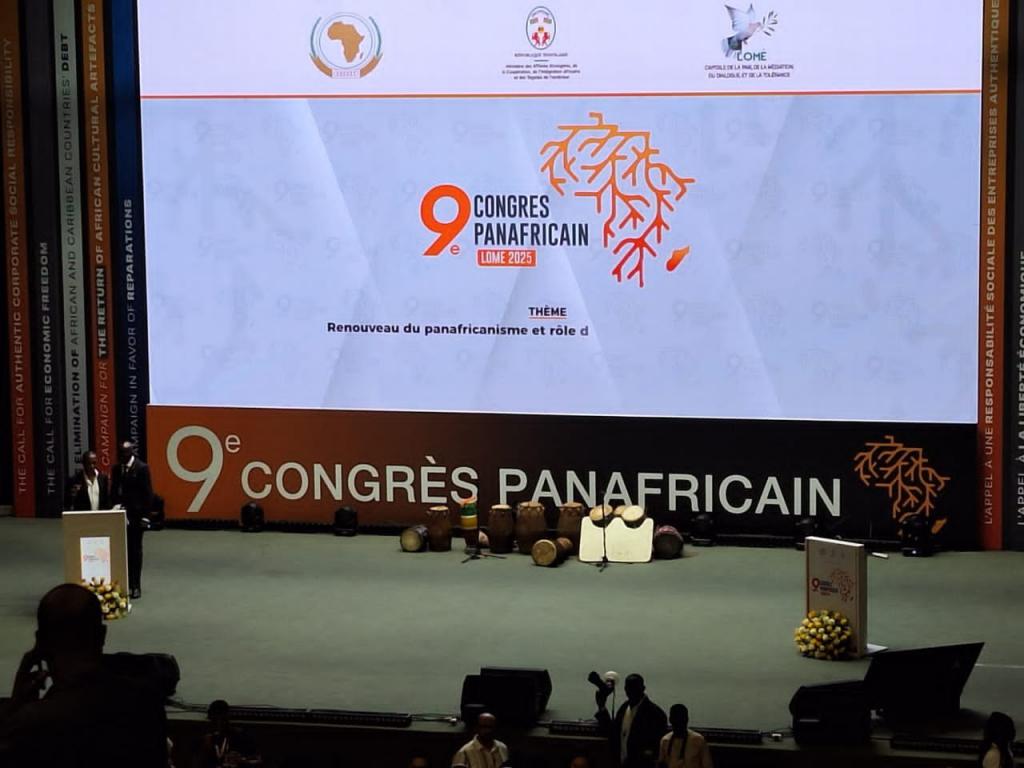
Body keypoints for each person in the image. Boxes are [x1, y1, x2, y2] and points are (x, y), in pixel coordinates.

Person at [0, 583, 168, 767]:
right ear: (102, 635)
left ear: (40, 643)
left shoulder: (30, 723)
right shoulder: (146, 705)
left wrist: (14, 705)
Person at [111, 440, 154, 599]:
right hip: (119, 516)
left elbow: (148, 494)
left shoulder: (142, 468)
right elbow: (114, 490)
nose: (122, 455)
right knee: (121, 551)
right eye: (120, 453)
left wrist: (146, 516)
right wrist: (114, 506)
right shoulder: (116, 469)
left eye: (125, 452)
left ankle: (136, 586)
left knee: (135, 552)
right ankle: (124, 583)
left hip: (136, 517)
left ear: (132, 452)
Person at [595, 673, 668, 768]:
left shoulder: (655, 714)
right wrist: (601, 706)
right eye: (628, 688)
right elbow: (612, 733)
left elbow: (656, 747)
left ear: (643, 688)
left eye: (634, 688)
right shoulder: (624, 708)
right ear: (625, 689)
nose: (631, 691)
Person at [198, 699, 262, 767]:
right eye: (215, 720)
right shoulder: (207, 740)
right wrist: (205, 750)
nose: (219, 723)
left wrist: (241, 760)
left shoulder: (241, 736)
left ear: (228, 717)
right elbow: (198, 763)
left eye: (222, 719)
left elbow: (258, 760)